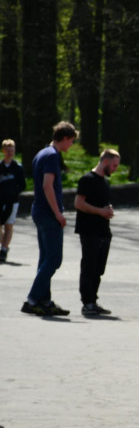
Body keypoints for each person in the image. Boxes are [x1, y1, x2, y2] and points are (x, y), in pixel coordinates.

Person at [22, 121, 78, 317]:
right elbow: (48, 186)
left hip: (39, 211)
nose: (70, 146)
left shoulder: (42, 153)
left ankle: (43, 300)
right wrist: (58, 214)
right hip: (48, 214)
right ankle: (32, 299)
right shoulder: (53, 156)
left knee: (45, 259)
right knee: (54, 259)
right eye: (71, 141)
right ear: (64, 138)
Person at [74, 149, 121, 315]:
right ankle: (87, 302)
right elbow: (79, 203)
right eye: (114, 165)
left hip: (103, 230)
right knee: (89, 266)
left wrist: (108, 210)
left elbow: (102, 203)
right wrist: (100, 212)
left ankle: (93, 300)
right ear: (106, 161)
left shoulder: (105, 182)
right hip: (89, 229)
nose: (115, 168)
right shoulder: (87, 179)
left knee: (99, 268)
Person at [0, 139, 26, 263]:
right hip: (1, 201)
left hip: (12, 201)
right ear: (3, 151)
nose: (10, 153)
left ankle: (4, 249)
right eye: (7, 150)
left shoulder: (18, 168)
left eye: (12, 150)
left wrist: (13, 192)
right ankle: (4, 244)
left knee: (9, 225)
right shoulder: (0, 167)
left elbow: (22, 185)